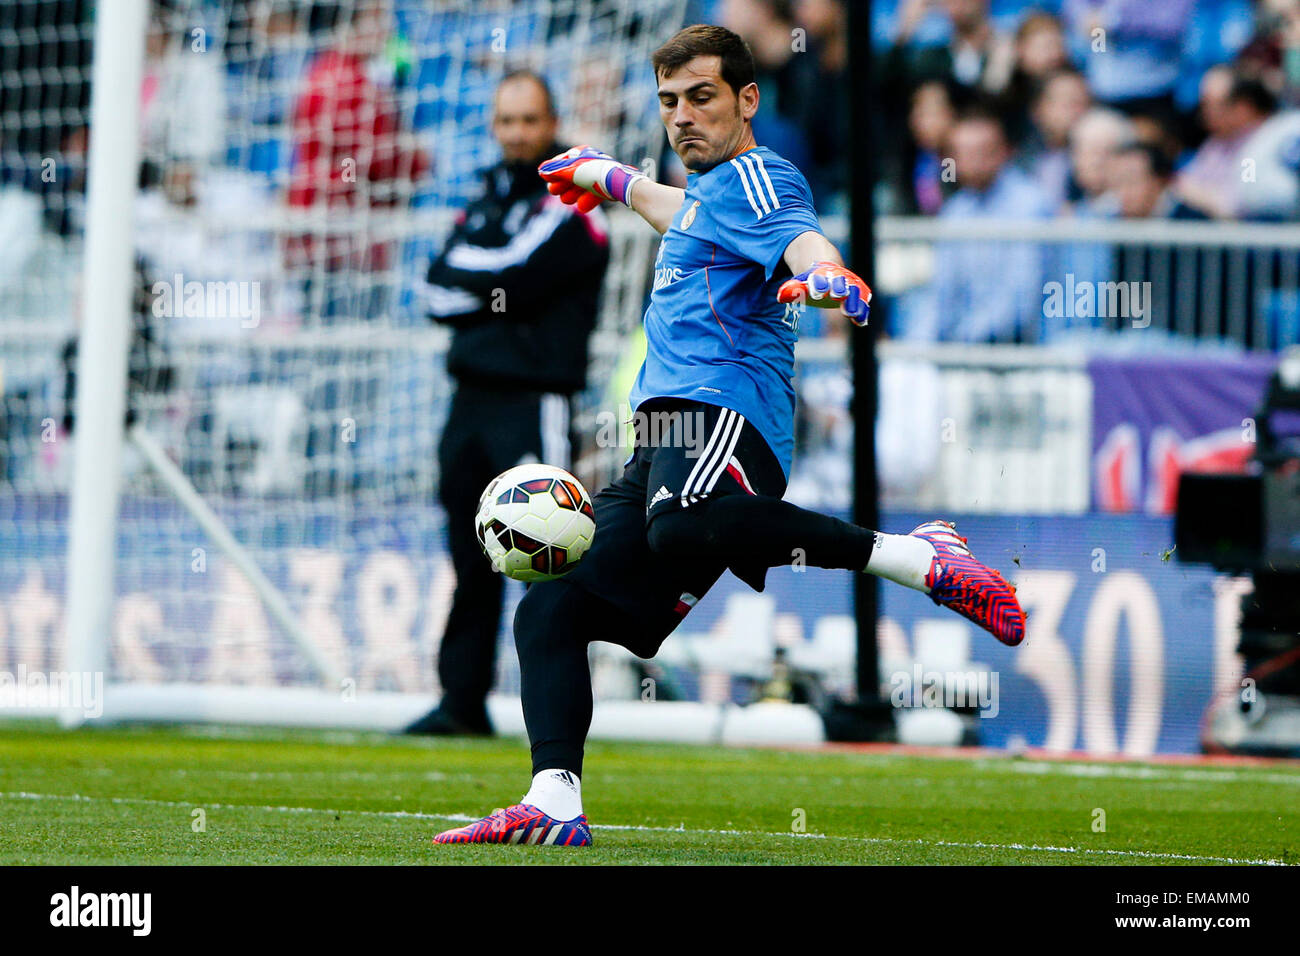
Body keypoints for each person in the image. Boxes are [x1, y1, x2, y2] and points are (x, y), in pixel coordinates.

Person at [432, 25, 1025, 847]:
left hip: (725, 415)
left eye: (702, 97)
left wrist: (823, 268)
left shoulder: (759, 171)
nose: (682, 116)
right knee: (551, 604)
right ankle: (555, 800)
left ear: (748, 100)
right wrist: (612, 178)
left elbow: (794, 233)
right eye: (670, 101)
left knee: (682, 520)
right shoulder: (712, 194)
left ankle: (922, 559)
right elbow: (688, 219)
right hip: (664, 436)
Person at [405, 71, 610, 737]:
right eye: (507, 121)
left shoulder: (574, 199)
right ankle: (461, 702)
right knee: (471, 559)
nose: (518, 133)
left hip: (535, 400)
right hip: (468, 401)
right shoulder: (486, 195)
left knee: (547, 559)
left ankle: (552, 716)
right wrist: (486, 284)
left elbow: (517, 275)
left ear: (553, 122)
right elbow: (434, 290)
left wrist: (479, 279)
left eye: (530, 120)